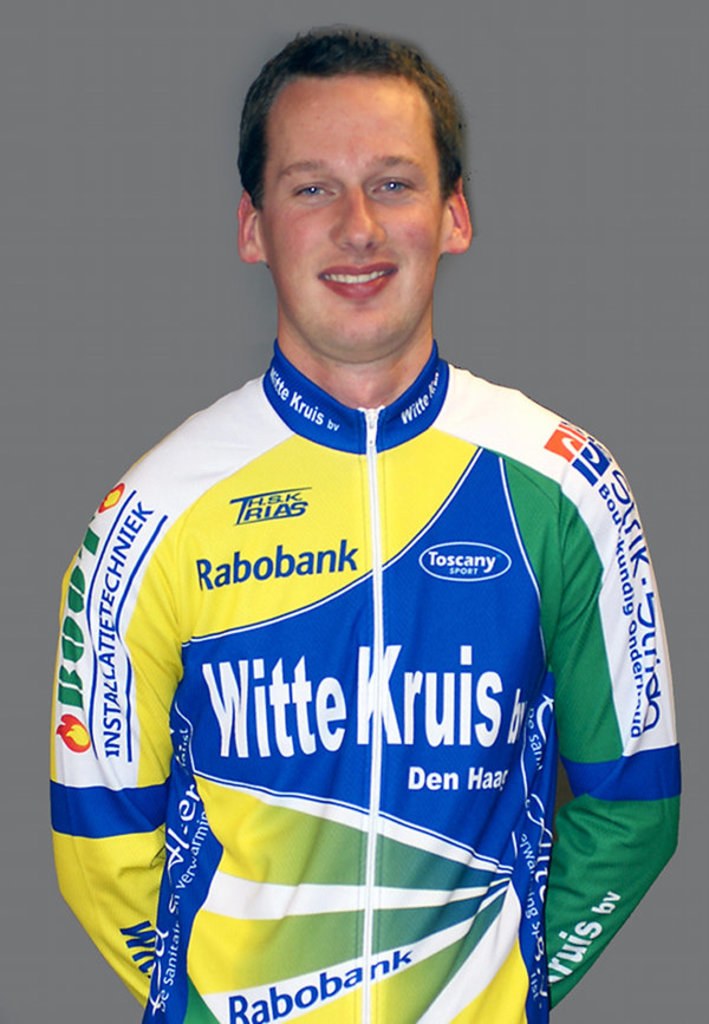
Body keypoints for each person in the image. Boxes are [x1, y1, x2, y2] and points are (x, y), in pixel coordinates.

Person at [50, 27, 680, 1024]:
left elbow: (634, 804)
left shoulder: (564, 484)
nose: (356, 228)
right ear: (253, 226)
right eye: (311, 189)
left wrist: (515, 984)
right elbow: (96, 835)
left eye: (392, 184)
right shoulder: (151, 510)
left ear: (454, 214)